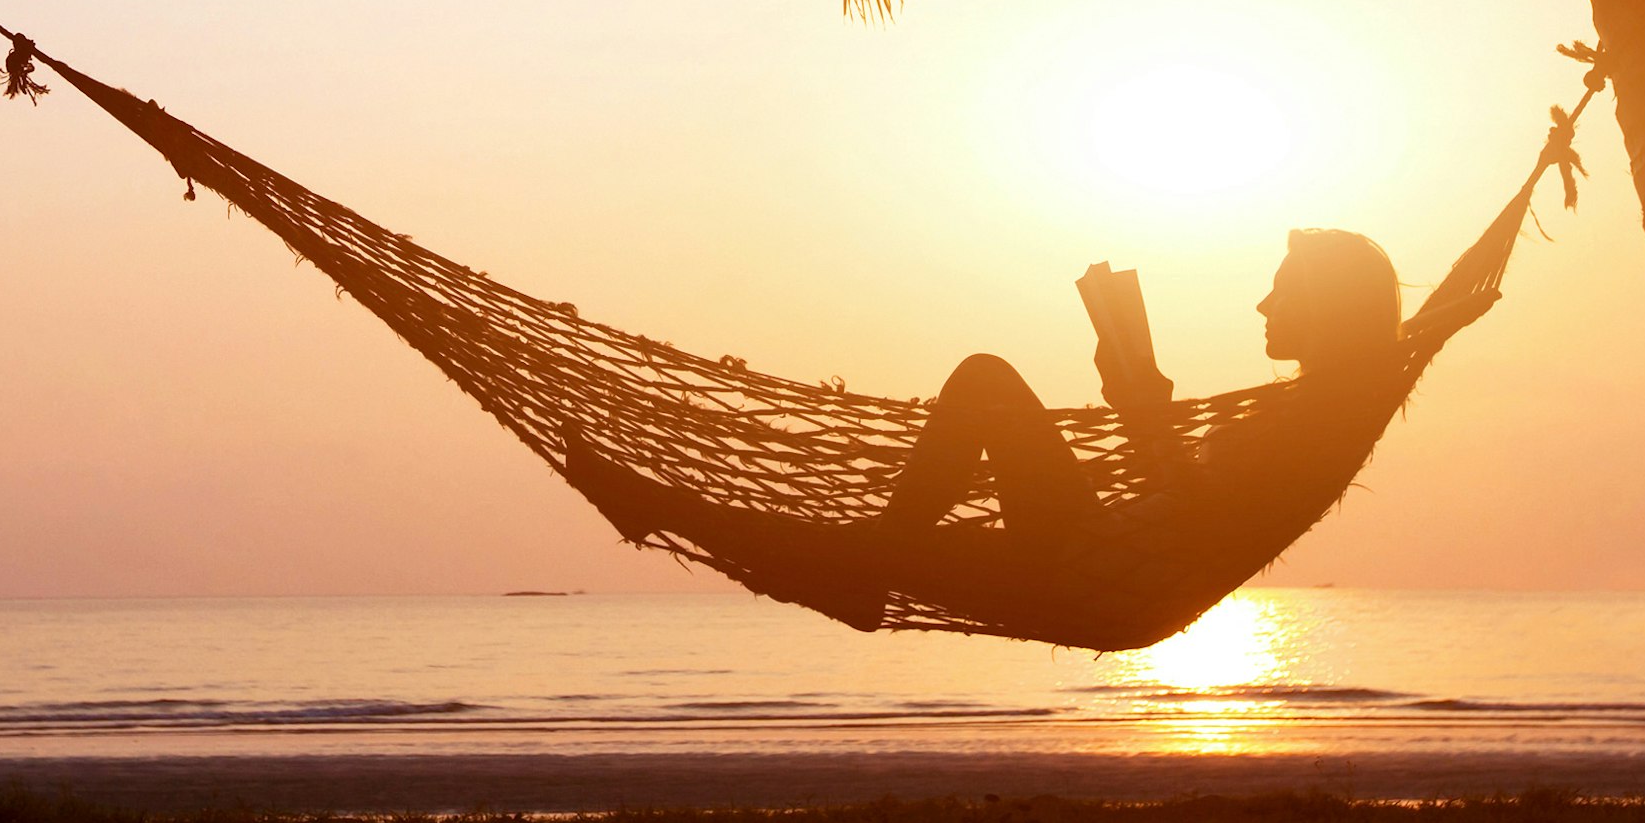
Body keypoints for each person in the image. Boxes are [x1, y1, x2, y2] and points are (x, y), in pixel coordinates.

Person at [567, 230, 1416, 648]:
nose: (1263, 308)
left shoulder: (1305, 423)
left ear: (1330, 307)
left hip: (1110, 573)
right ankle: (652, 502)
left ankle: (829, 554)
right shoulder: (1316, 412)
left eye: (1280, 293)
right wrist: (1132, 383)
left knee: (981, 381)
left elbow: (1193, 505)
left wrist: (1139, 385)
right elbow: (1187, 500)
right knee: (845, 552)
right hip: (1108, 564)